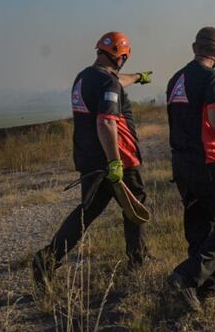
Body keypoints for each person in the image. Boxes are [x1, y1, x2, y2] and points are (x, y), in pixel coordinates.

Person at [32, 31, 153, 288]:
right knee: (135, 208)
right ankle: (138, 260)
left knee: (88, 212)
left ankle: (47, 258)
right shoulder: (108, 84)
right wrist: (115, 162)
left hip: (88, 158)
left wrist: (139, 78)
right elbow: (106, 123)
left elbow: (117, 81)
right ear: (120, 57)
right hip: (116, 158)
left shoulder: (85, 77)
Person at [165, 26, 215, 310]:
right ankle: (186, 276)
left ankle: (205, 287)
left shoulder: (176, 79)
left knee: (200, 223)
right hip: (207, 161)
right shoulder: (212, 77)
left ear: (194, 47)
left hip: (181, 163)